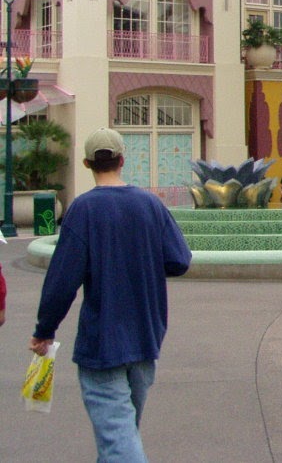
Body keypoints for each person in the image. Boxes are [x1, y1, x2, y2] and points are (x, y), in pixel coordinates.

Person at [30, 127, 192, 461]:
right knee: (121, 434)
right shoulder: (150, 204)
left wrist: (45, 330)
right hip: (146, 337)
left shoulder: (84, 210)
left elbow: (62, 281)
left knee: (118, 439)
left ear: (88, 163)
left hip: (103, 342)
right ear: (122, 159)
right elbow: (179, 260)